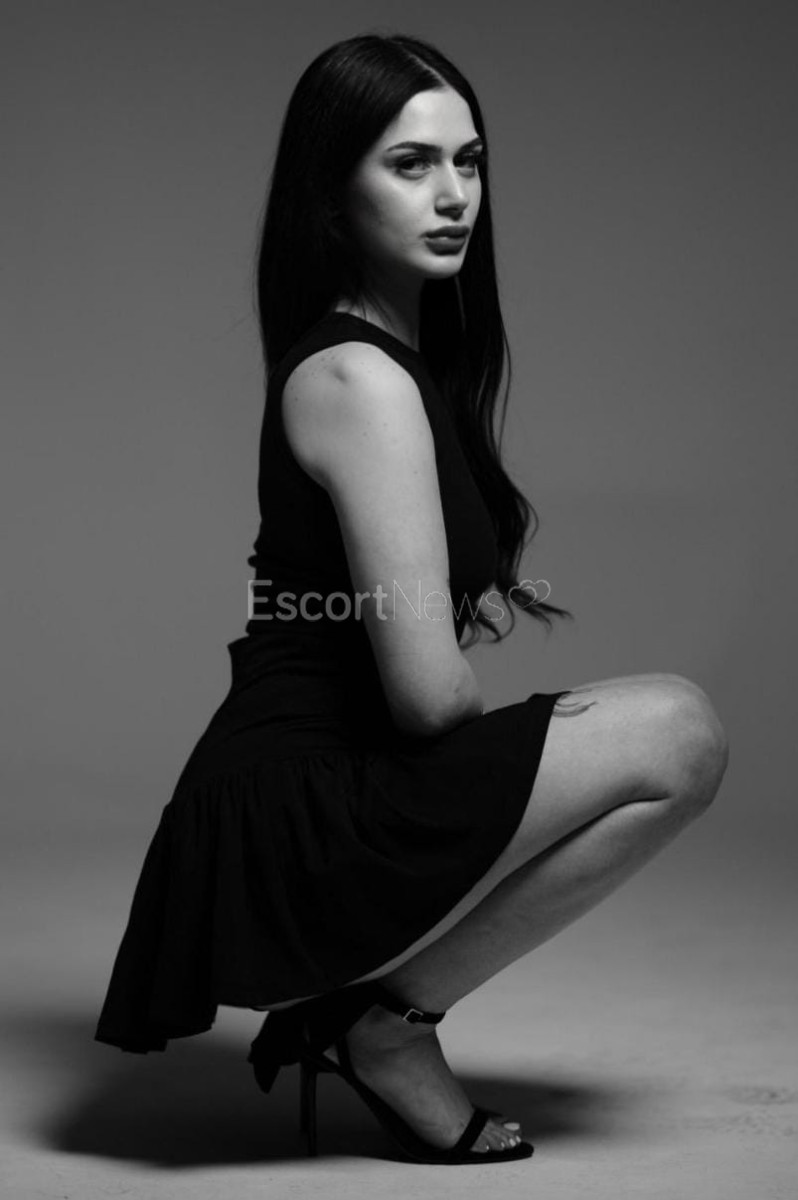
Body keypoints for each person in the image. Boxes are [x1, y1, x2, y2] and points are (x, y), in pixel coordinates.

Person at [94, 33, 729, 1165]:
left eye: (469, 161)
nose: (453, 196)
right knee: (679, 730)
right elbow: (428, 699)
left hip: (304, 785)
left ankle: (374, 1024)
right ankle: (386, 1027)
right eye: (410, 164)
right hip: (292, 814)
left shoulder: (385, 362)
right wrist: (478, 697)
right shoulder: (361, 378)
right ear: (331, 194)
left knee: (666, 728)